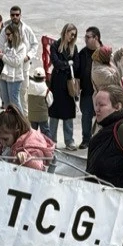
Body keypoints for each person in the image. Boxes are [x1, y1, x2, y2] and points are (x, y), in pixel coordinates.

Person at [47, 23, 80, 151]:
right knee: (54, 112)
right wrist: (68, 64)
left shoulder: (74, 47)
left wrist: (65, 65)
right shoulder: (55, 46)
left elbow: (76, 65)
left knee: (68, 113)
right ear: (65, 32)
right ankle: (52, 140)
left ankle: (69, 141)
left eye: (74, 35)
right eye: (71, 34)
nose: (72, 37)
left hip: (68, 83)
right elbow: (56, 63)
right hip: (57, 83)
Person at [0, 105, 54, 171]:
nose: (2, 143)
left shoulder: (32, 144)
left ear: (16, 131)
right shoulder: (7, 141)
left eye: (5, 139)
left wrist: (27, 158)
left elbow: (39, 167)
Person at [76, 26, 100, 149]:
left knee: (102, 117)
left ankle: (99, 140)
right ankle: (86, 140)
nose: (85, 39)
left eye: (88, 37)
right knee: (86, 117)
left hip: (101, 93)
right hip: (86, 92)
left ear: (96, 38)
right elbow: (77, 72)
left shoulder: (103, 52)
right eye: (85, 37)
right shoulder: (83, 53)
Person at [0, 24, 29, 113]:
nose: (7, 37)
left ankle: (21, 123)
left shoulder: (22, 47)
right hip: (4, 75)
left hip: (15, 77)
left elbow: (16, 62)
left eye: (8, 34)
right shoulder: (6, 45)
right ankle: (10, 121)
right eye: (6, 34)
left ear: (14, 34)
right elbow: (5, 59)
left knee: (14, 101)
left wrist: (3, 57)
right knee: (6, 101)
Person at [25, 68, 51, 136]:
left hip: (32, 115)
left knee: (32, 133)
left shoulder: (29, 88)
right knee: (45, 131)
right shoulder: (46, 89)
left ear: (34, 77)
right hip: (43, 116)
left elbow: (25, 99)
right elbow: (50, 102)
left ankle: (33, 145)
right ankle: (48, 144)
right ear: (44, 78)